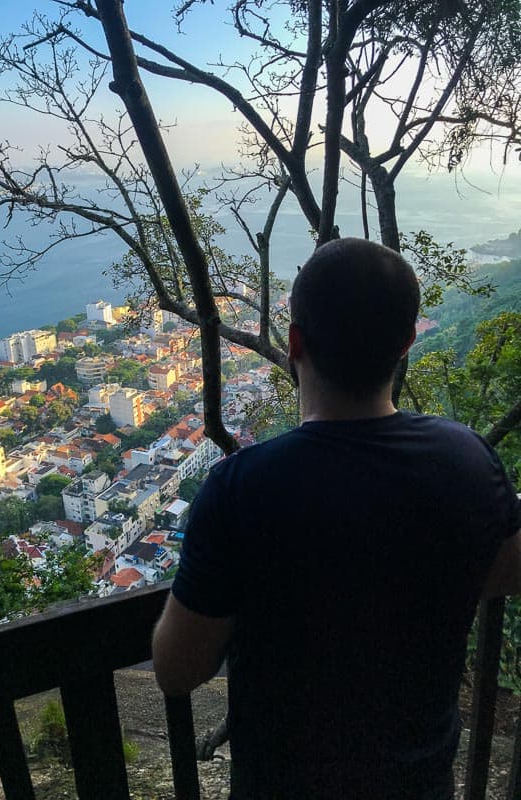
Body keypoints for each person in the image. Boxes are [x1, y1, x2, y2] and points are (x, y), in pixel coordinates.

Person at [152, 238, 521, 800]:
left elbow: (178, 671)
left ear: (295, 343)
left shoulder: (243, 488)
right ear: (405, 344)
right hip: (419, 785)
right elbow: (505, 572)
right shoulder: (467, 460)